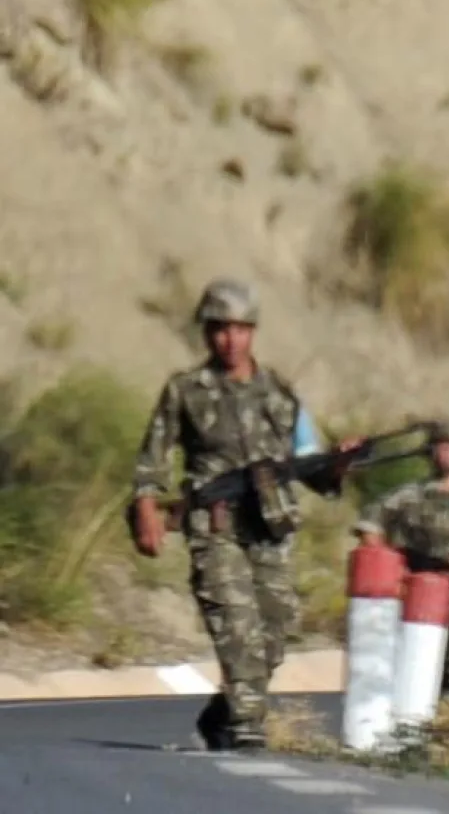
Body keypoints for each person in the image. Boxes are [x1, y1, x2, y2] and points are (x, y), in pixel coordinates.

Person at [130, 277, 365, 751]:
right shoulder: (185, 391)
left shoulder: (279, 393)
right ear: (205, 333)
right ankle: (246, 728)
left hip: (270, 529)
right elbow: (151, 460)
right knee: (237, 626)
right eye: (218, 329)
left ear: (252, 331)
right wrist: (146, 510)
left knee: (274, 633)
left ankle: (220, 719)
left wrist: (337, 462)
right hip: (214, 528)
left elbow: (311, 463)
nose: (228, 340)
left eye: (238, 329)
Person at [352, 419, 449, 696]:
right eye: (439, 448)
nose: (444, 455)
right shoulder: (408, 495)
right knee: (409, 655)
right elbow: (370, 524)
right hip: (414, 584)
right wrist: (389, 565)